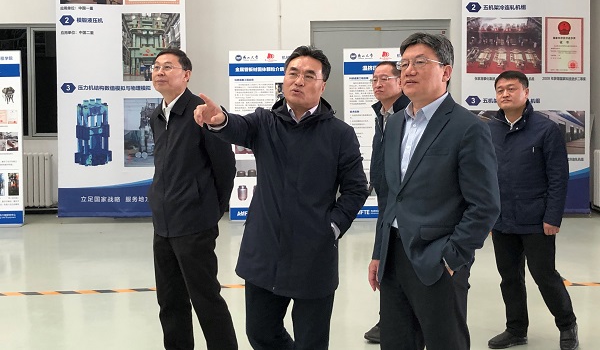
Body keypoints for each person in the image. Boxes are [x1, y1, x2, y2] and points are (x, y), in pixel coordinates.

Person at [194, 45, 369, 350]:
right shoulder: (264, 122)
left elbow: (356, 188)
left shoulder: (340, 134)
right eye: (293, 73)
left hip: (313, 254)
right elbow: (236, 126)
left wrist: (332, 227)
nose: (298, 81)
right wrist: (219, 119)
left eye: (309, 75)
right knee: (261, 332)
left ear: (322, 86)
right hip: (265, 249)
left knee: (311, 342)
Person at [368, 32, 500, 350]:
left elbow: (485, 205)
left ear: (446, 71)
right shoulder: (395, 124)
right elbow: (391, 196)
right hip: (393, 257)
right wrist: (378, 252)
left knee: (446, 342)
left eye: (420, 62)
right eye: (404, 64)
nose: (409, 70)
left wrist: (452, 257)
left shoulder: (468, 127)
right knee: (396, 342)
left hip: (438, 260)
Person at [148, 49, 238, 350]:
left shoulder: (201, 113)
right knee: (169, 300)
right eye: (156, 67)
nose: (159, 72)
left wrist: (212, 208)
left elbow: (225, 166)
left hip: (195, 223)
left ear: (186, 75)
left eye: (168, 67)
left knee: (205, 298)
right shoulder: (157, 115)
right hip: (163, 223)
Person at [487, 71, 578, 350]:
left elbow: (558, 177)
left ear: (526, 93)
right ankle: (516, 329)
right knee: (509, 278)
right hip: (502, 219)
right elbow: (484, 175)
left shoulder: (546, 129)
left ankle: (567, 324)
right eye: (500, 89)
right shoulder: (489, 129)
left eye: (511, 88)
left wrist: (552, 217)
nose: (505, 94)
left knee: (544, 276)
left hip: (536, 220)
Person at [363, 60, 410, 344]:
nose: (378, 84)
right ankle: (389, 318)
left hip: (401, 199)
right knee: (384, 256)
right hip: (385, 195)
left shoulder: (407, 113)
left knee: (395, 257)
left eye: (384, 78)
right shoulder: (382, 114)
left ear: (400, 81)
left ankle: (394, 319)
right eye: (374, 79)